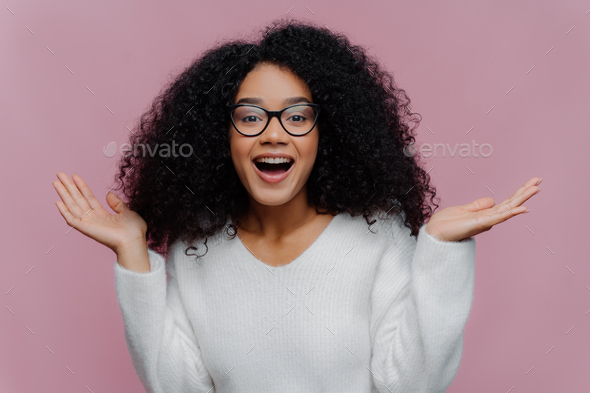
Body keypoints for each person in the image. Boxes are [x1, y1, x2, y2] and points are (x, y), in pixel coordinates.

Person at [51, 19, 541, 393]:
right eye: (249, 116)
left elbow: (409, 385)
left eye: (297, 116)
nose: (273, 132)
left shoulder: (378, 235)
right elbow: (179, 386)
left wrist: (439, 250)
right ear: (221, 136)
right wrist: (133, 254)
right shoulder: (195, 245)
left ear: (326, 135)